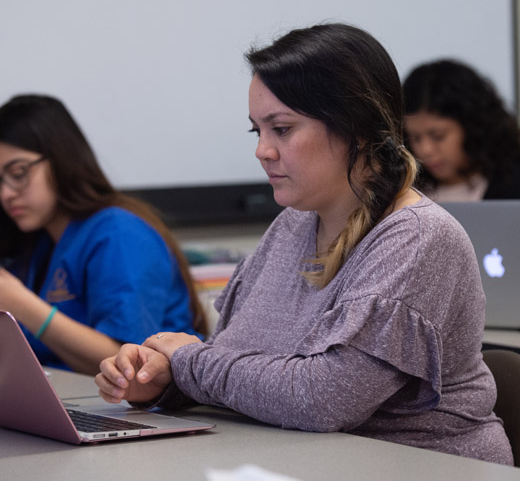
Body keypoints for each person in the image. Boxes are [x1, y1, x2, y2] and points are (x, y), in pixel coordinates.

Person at [95, 23, 513, 464]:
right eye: (258, 131)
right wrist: (164, 381)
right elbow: (233, 365)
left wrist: (188, 364)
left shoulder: (420, 236)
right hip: (309, 462)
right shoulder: (292, 224)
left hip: (427, 468)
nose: (263, 151)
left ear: (357, 129)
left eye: (282, 129)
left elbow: (325, 398)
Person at [0, 95, 207, 375]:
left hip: (141, 410)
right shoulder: (37, 242)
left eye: (18, 172)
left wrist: (20, 303)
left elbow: (125, 363)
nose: (7, 193)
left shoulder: (119, 233)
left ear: (61, 157)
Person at [402, 59, 520, 202]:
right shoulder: (403, 192)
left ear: (473, 127)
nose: (425, 150)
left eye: (438, 136)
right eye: (415, 138)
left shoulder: (513, 185)